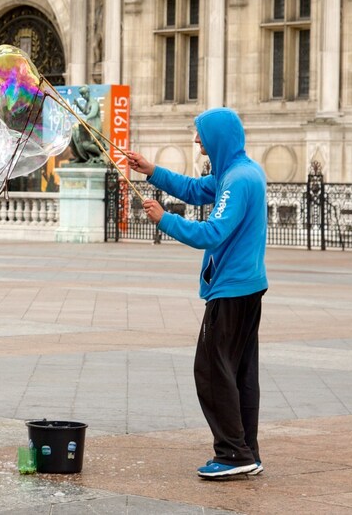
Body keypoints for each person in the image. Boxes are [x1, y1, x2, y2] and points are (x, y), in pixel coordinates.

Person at [125, 107, 268, 479]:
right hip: (247, 285)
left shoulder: (237, 180)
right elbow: (193, 189)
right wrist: (151, 170)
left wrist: (165, 220)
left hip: (232, 290)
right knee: (238, 373)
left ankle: (233, 454)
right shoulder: (236, 172)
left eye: (200, 134)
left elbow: (212, 234)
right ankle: (246, 450)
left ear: (217, 136)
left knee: (210, 370)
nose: (195, 140)